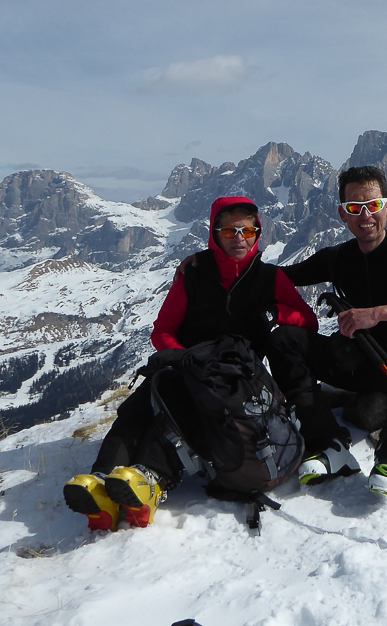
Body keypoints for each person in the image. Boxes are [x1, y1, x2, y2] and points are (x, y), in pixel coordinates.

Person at [63, 196, 318, 531]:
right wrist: (184, 359)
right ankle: (101, 481)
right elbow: (163, 331)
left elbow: (308, 320)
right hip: (183, 365)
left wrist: (276, 312)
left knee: (179, 410)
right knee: (138, 407)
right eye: (228, 231)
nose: (239, 238)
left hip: (235, 379)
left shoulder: (271, 278)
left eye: (247, 230)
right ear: (214, 233)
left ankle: (150, 479)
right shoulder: (195, 274)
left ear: (258, 233)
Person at [268, 166, 387, 497]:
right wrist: (205, 263)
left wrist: (377, 314)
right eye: (354, 208)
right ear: (342, 214)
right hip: (359, 361)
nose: (365, 216)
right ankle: (327, 443)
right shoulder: (339, 258)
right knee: (284, 339)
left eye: (373, 205)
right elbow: (280, 277)